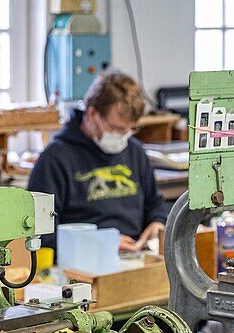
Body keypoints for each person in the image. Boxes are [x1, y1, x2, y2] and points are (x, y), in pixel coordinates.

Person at [28, 70, 168, 252]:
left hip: (135, 255)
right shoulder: (55, 159)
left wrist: (157, 223)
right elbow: (42, 236)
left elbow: (155, 203)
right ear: (92, 113)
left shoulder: (135, 151)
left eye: (130, 129)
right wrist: (101, 244)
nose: (123, 136)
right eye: (116, 128)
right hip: (82, 261)